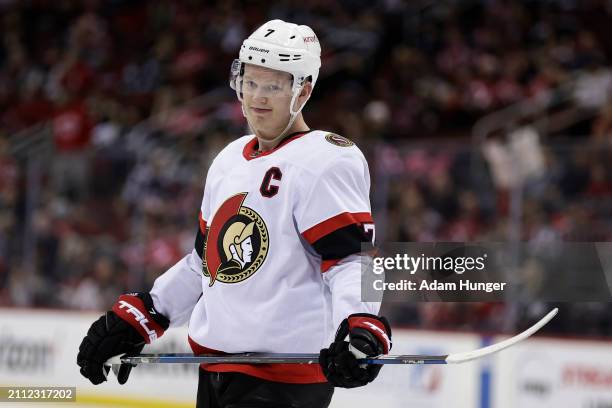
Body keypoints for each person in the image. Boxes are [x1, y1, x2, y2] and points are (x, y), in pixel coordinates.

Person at [77, 19, 392, 407]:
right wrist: (146, 314)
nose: (257, 97)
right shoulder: (229, 159)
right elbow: (205, 264)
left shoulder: (326, 159)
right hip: (215, 371)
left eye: (274, 86)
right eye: (250, 82)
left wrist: (360, 324)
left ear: (303, 90)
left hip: (284, 381)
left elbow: (351, 260)